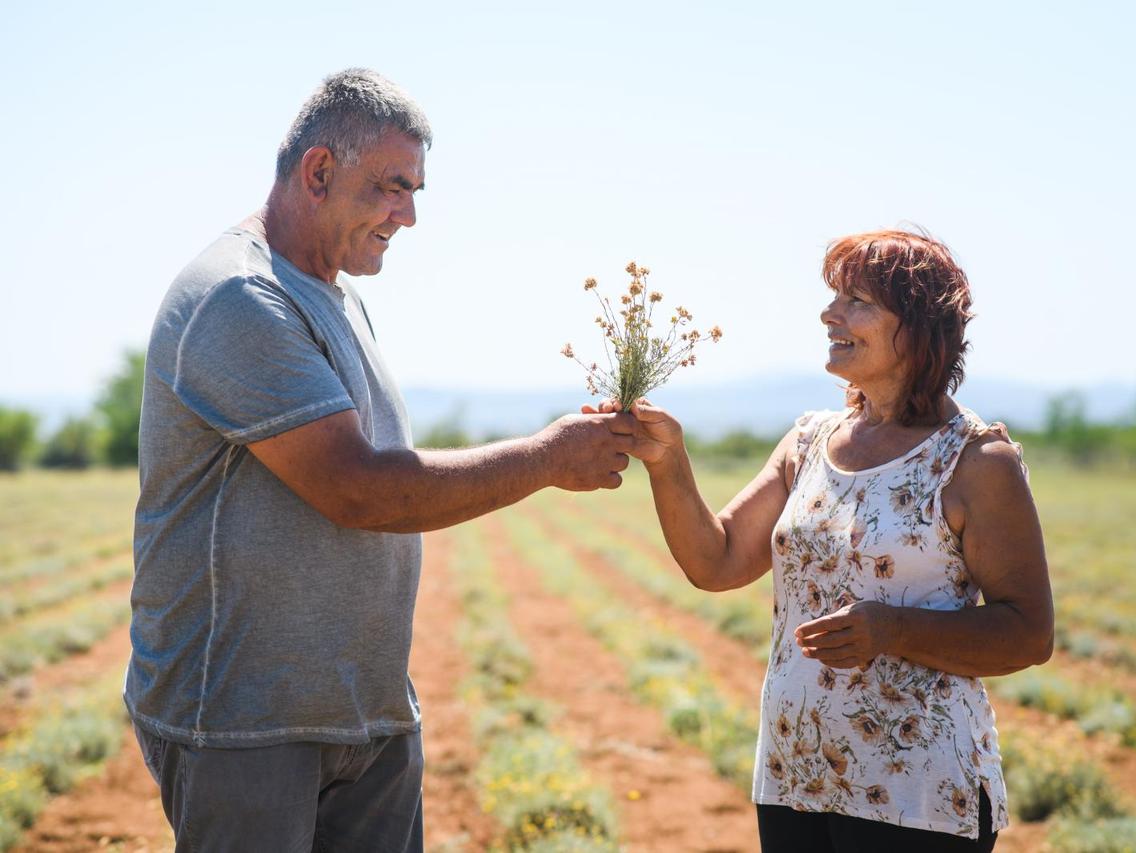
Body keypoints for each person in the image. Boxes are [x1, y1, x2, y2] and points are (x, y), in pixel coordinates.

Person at [126, 68, 635, 852]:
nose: (410, 215)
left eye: (417, 190)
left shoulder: (336, 294)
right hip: (245, 723)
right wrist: (547, 457)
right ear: (319, 171)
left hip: (365, 716)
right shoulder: (238, 297)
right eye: (395, 187)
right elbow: (359, 491)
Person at [590, 229, 1053, 851]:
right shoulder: (809, 440)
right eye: (835, 297)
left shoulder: (975, 461)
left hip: (918, 797)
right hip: (795, 773)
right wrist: (667, 460)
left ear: (919, 328)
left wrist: (893, 630)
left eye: (857, 300)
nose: (829, 313)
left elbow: (1029, 632)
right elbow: (718, 560)